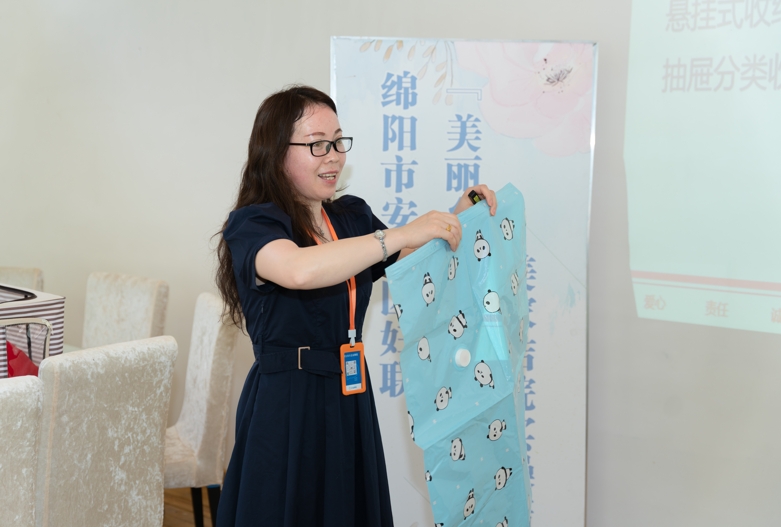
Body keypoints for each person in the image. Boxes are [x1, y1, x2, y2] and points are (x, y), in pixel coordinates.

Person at [215, 85, 497, 527]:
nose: (333, 156)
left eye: (338, 142)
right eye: (317, 145)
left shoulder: (349, 216)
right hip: (287, 403)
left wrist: (456, 217)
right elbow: (299, 270)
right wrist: (398, 234)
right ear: (275, 152)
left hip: (348, 393)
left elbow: (409, 263)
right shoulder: (254, 223)